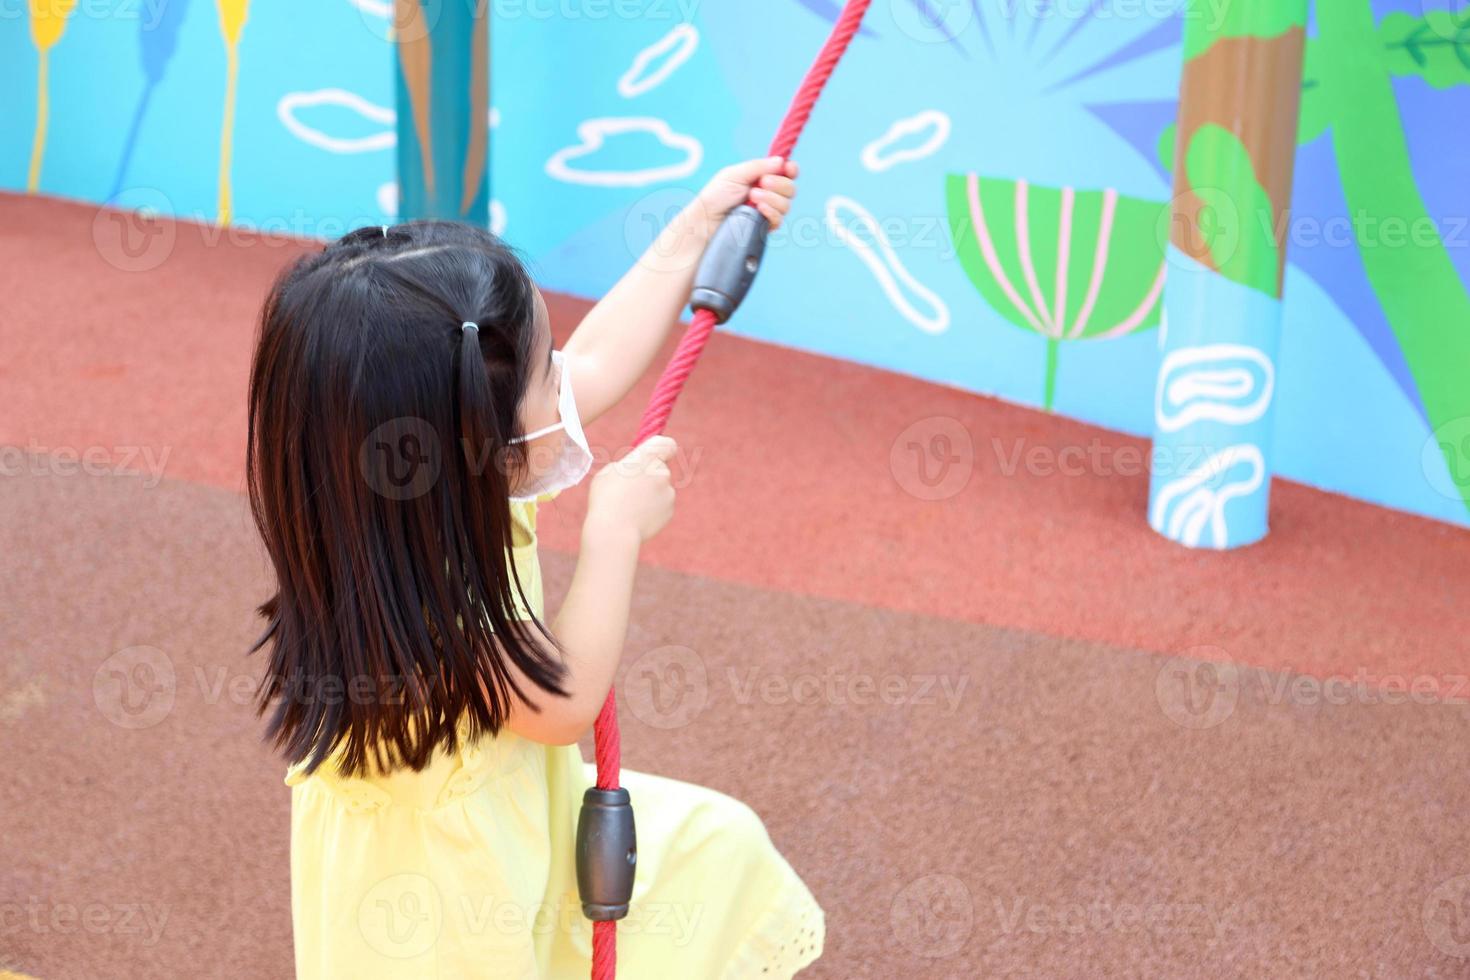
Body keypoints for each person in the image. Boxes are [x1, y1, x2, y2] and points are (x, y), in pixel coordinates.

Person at [244, 156, 825, 977]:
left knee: (714, 843)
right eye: (546, 377)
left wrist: (698, 225)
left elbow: (597, 363)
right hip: (442, 900)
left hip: (521, 821)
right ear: (479, 438)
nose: (570, 384)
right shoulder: (423, 612)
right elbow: (559, 704)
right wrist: (612, 536)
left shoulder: (429, 490)